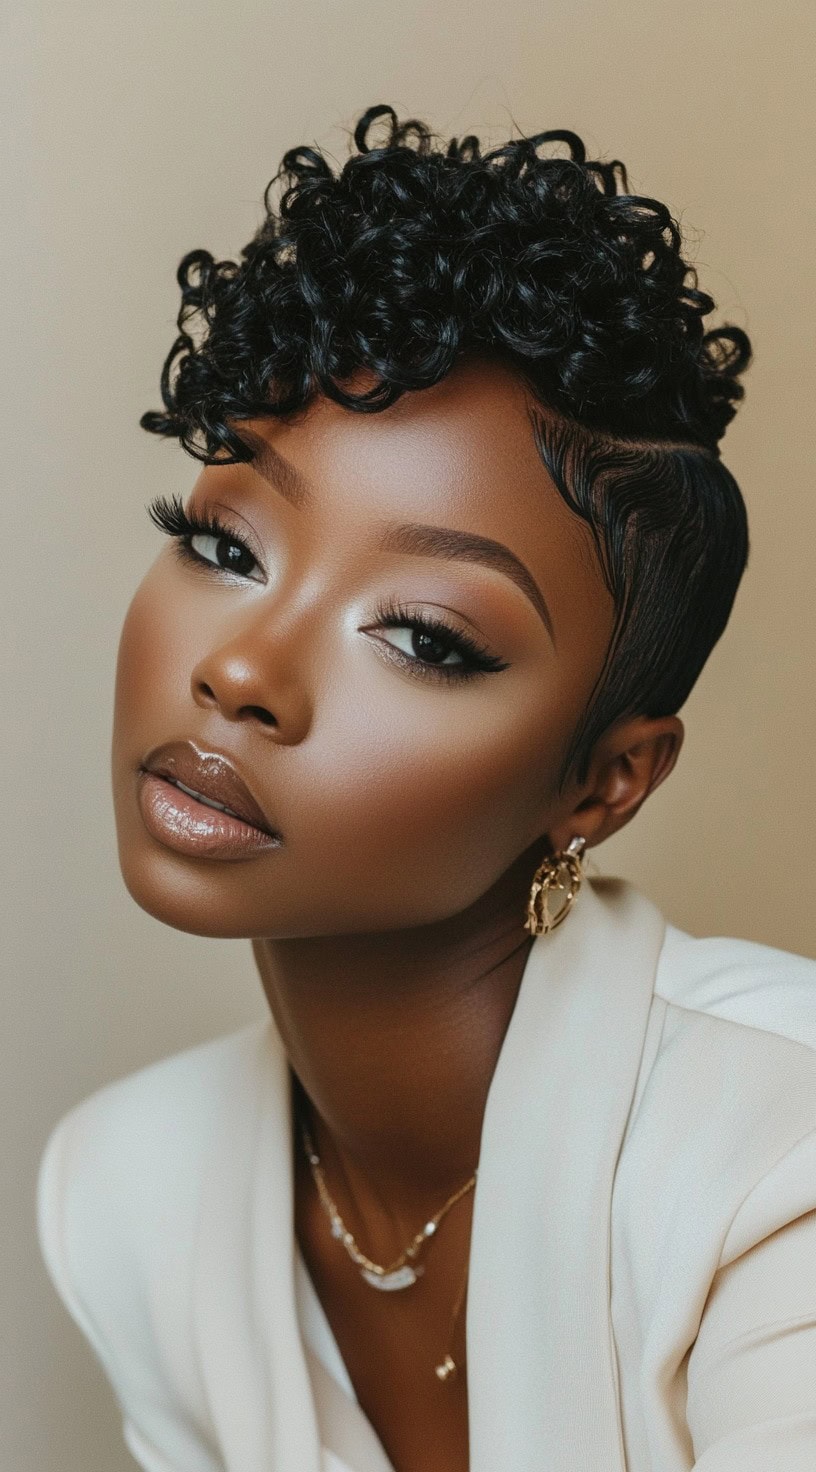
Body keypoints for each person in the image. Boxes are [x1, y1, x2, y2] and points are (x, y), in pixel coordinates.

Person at [36, 103, 816, 1472]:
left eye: (425, 638)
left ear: (606, 783)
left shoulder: (777, 1157)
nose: (242, 673)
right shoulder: (129, 1198)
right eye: (225, 545)